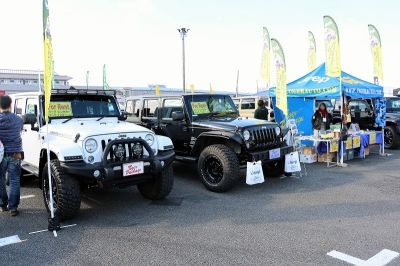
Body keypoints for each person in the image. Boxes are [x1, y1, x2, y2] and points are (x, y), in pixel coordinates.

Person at [0, 95, 23, 216]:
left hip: (0, 155)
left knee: (0, 181)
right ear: (10, 104)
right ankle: (13, 207)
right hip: (15, 154)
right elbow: (20, 130)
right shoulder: (18, 119)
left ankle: (3, 205)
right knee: (14, 181)